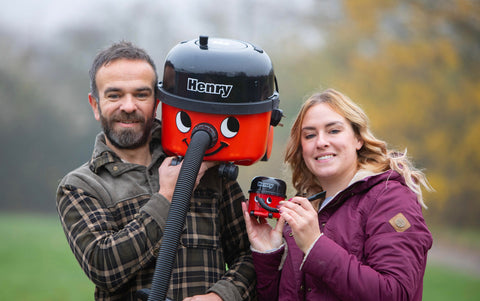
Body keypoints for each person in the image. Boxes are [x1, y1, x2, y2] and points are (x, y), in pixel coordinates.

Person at [56, 41, 256, 301]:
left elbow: (252, 254)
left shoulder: (206, 163)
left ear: (158, 101)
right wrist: (167, 196)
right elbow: (103, 267)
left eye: (141, 94)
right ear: (95, 105)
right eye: (114, 95)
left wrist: (221, 296)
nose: (128, 106)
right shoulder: (80, 186)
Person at [242, 88, 433, 300]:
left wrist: (316, 245)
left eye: (333, 131)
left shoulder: (390, 199)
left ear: (358, 139)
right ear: (301, 147)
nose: (321, 142)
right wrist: (268, 253)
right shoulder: (303, 211)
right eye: (310, 135)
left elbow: (395, 294)